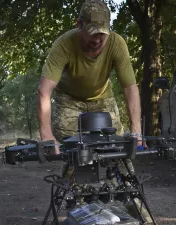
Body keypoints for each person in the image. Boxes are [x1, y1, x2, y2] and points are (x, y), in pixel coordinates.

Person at [37, 0, 143, 154]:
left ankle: (119, 177)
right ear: (79, 25)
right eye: (93, 32)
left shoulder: (116, 44)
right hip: (69, 101)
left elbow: (130, 88)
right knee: (76, 151)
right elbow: (44, 91)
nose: (98, 39)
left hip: (102, 98)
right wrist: (46, 135)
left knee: (115, 149)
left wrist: (136, 131)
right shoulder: (63, 45)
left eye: (103, 33)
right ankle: (72, 175)